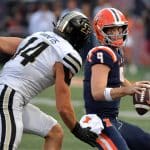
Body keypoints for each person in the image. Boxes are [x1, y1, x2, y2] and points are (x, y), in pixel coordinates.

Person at [0, 11, 98, 150]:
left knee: (54, 132)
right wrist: (77, 129)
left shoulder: (39, 36)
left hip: (9, 95)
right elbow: (63, 107)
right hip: (9, 97)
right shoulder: (68, 55)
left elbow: (4, 43)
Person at [83, 8, 150, 150]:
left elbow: (119, 78)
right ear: (100, 31)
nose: (116, 34)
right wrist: (127, 90)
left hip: (112, 120)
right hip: (99, 122)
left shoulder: (115, 51)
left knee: (146, 141)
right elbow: (97, 92)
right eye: (111, 30)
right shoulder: (102, 52)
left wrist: (136, 89)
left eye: (119, 29)